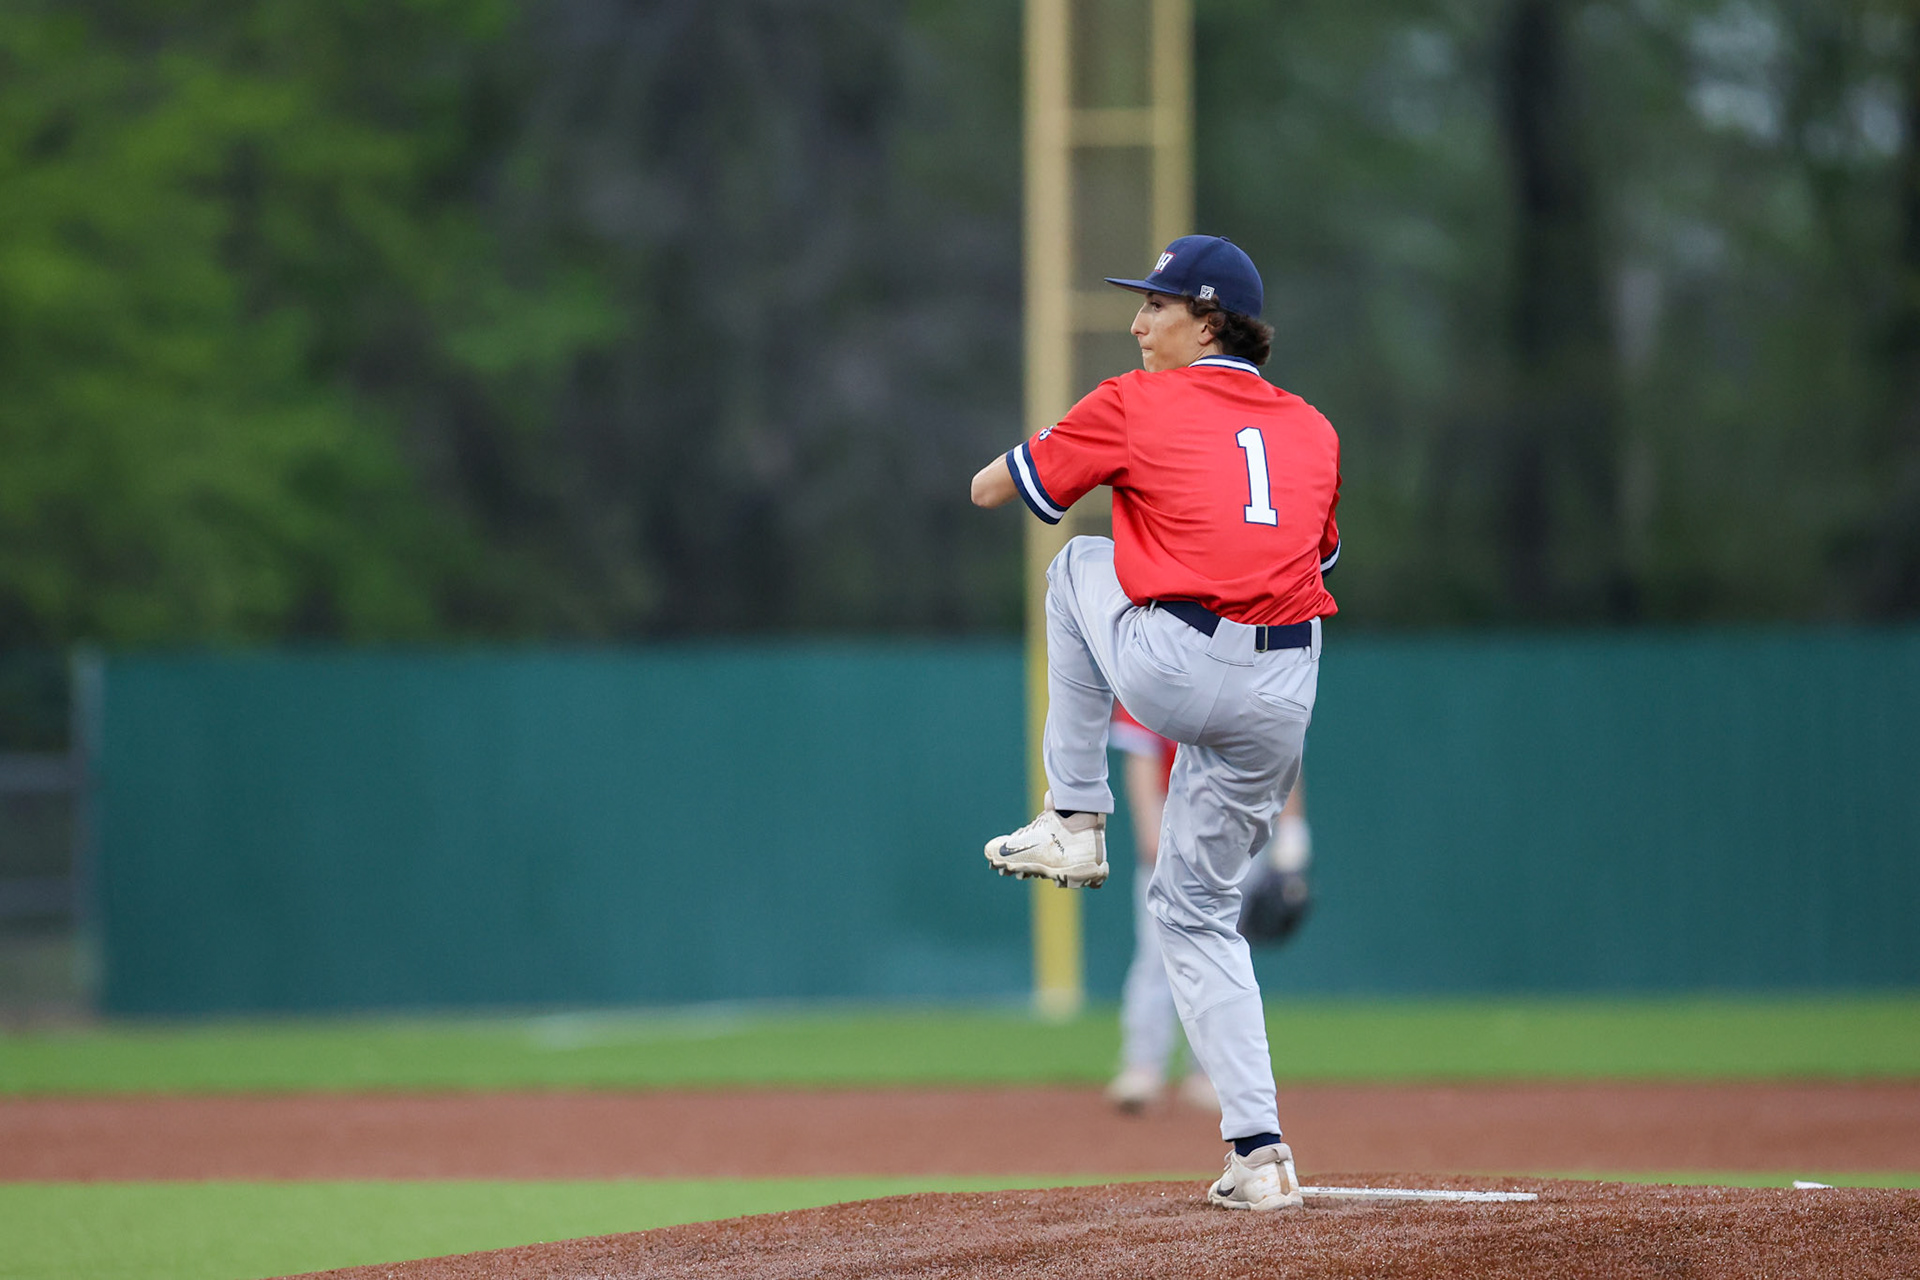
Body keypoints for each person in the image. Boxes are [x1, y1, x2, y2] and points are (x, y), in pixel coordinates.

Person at [971, 234, 1340, 1212]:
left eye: (1157, 306)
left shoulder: (1132, 400)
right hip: (1287, 686)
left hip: (1183, 666)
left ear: (1210, 319)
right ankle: (1260, 1152)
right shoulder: (1312, 426)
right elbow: (1305, 554)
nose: (1138, 323)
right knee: (1195, 911)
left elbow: (996, 487)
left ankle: (1074, 815)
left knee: (1076, 566)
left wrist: (1056, 446)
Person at [1105, 703, 1313, 1114]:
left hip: (1241, 826)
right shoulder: (1152, 665)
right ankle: (1144, 1066)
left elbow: (1284, 760)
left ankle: (1211, 1073)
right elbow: (1142, 759)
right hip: (1175, 825)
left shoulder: (1260, 670)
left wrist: (1292, 831)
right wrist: (1151, 832)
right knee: (1157, 955)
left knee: (1223, 955)